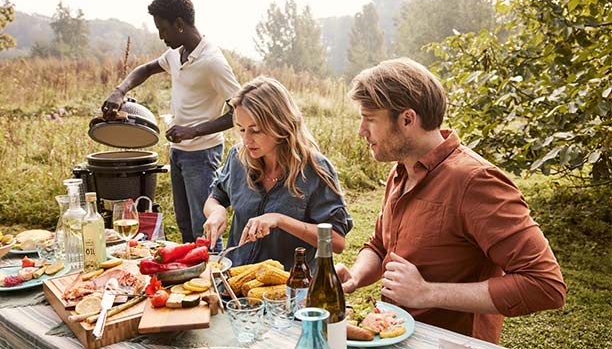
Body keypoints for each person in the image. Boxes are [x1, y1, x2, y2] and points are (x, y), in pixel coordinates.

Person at [335, 58, 566, 343]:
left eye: (369, 119)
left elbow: (545, 285)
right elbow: (380, 245)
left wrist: (427, 292)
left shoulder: (475, 182)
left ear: (408, 119)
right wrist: (356, 277)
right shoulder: (401, 170)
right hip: (395, 334)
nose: (361, 131)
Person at [101, 0, 240, 249]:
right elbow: (145, 69)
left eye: (163, 29)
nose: (161, 37)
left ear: (179, 23)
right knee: (185, 225)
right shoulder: (177, 53)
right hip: (178, 152)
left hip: (202, 154)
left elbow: (239, 112)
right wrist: (120, 91)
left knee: (205, 227)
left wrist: (193, 130)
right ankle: (192, 280)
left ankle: (215, 281)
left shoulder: (213, 62)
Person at [203, 76, 353, 270]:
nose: (246, 140)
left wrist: (279, 220)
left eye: (255, 130)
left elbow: (337, 242)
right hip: (235, 284)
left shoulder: (315, 169)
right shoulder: (237, 158)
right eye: (241, 129)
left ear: (280, 124)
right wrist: (216, 211)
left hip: (290, 289)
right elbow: (214, 198)